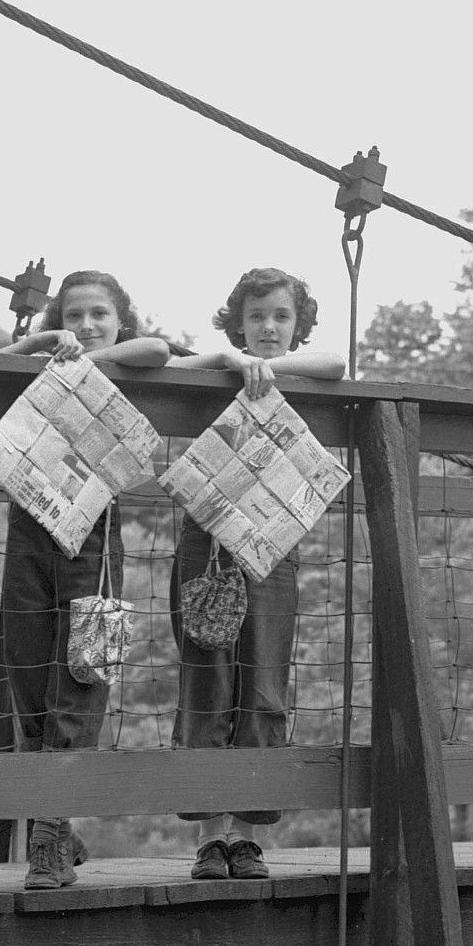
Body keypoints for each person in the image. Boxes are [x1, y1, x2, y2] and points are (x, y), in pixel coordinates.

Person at [0, 270, 172, 890]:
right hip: (29, 524)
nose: (87, 325)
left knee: (83, 668)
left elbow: (160, 351)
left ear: (120, 319)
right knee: (26, 663)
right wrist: (42, 346)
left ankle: (47, 833)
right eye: (73, 315)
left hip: (94, 533)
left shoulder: (128, 361)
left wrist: (97, 353)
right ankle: (55, 822)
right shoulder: (48, 363)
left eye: (100, 313)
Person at [168, 267, 345, 880]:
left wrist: (275, 369)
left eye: (280, 318)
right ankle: (211, 837)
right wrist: (226, 358)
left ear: (297, 326)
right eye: (256, 317)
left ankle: (247, 837)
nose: (268, 328)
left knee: (264, 684)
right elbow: (165, 367)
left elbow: (338, 367)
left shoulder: (299, 372)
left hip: (272, 541)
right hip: (207, 544)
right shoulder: (222, 368)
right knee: (206, 679)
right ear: (237, 322)